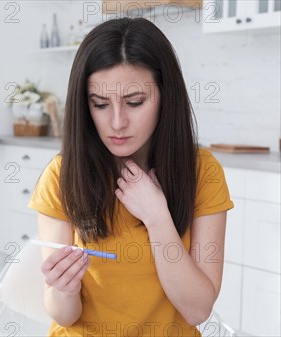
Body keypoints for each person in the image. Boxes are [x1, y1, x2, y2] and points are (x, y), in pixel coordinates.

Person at [28, 17, 234, 337]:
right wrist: (62, 289)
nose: (117, 122)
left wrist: (157, 217)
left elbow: (196, 310)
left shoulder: (203, 172)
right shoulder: (62, 175)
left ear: (165, 97)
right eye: (100, 104)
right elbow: (64, 316)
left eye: (134, 102)